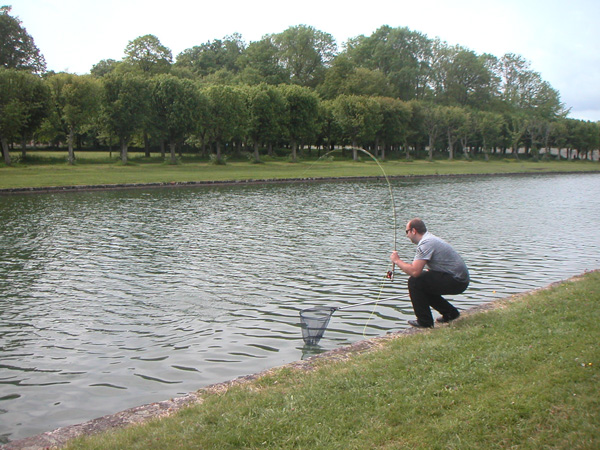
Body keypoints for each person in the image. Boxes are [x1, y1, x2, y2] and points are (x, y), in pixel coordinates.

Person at [390, 218, 469, 328]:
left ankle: (424, 322)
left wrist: (397, 260)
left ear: (413, 231)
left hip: (457, 280)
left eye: (407, 232)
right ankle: (450, 313)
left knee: (415, 282)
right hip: (460, 279)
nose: (407, 235)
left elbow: (415, 271)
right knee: (423, 282)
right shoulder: (429, 239)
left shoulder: (425, 243)